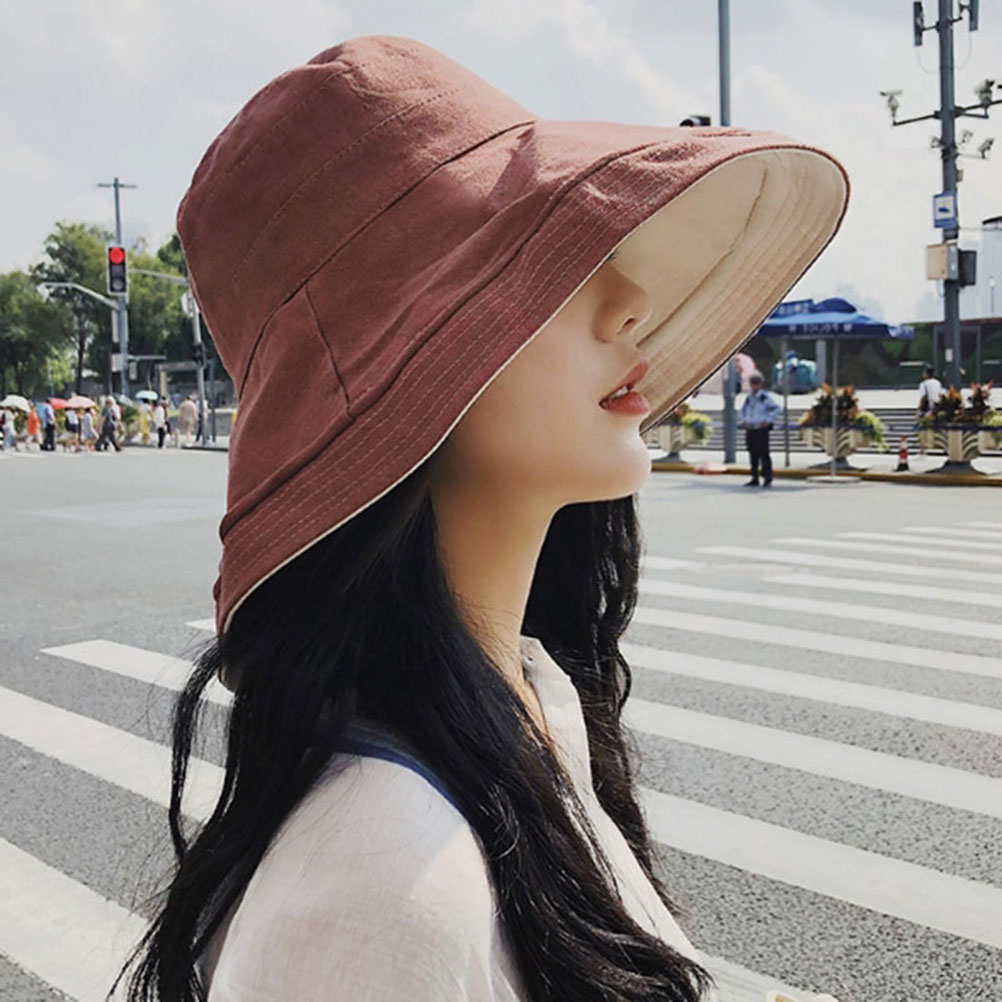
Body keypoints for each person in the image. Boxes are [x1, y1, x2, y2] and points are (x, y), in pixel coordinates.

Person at [116, 37, 848, 1002]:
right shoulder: (378, 894)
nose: (630, 302)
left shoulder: (527, 699)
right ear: (403, 362)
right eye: (545, 262)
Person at [738, 370, 782, 487]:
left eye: (756, 383)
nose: (754, 386)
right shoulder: (749, 397)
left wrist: (767, 420)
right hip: (751, 428)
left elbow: (777, 409)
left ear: (760, 384)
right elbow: (743, 410)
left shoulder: (764, 397)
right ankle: (755, 477)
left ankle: (767, 477)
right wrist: (744, 420)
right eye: (752, 383)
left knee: (764, 454)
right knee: (752, 454)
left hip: (761, 428)